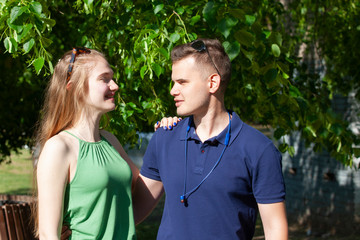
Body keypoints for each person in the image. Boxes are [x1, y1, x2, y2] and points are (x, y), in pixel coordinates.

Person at [133, 38, 288, 239]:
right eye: (173, 82)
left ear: (212, 83)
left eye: (182, 82)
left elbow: (276, 229)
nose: (173, 91)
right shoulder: (164, 138)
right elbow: (134, 210)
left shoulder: (259, 149)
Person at [34, 47, 141, 239]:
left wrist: (166, 135)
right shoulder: (59, 148)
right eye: (104, 78)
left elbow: (147, 185)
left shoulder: (110, 140)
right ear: (74, 88)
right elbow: (48, 234)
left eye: (113, 78)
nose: (115, 85)